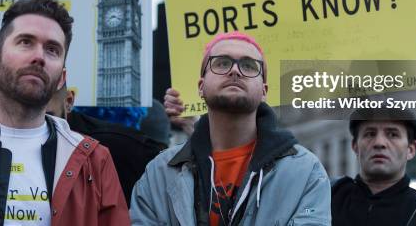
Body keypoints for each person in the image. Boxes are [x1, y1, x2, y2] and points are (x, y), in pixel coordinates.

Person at [0, 0, 130, 226]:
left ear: (62, 78)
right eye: (25, 42)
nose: (39, 56)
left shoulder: (95, 163)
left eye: (52, 49)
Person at [131, 31, 331, 225]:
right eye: (222, 63)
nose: (235, 70)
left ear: (264, 91)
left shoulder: (306, 173)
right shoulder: (159, 173)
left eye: (249, 66)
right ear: (201, 86)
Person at [331, 108, 416, 225]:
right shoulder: (326, 197)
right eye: (370, 134)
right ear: (355, 146)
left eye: (393, 134)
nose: (379, 143)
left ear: (411, 149)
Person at [46, 86, 166, 204]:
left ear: (69, 101)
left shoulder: (121, 146)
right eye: (26, 116)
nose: (36, 129)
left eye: (47, 118)